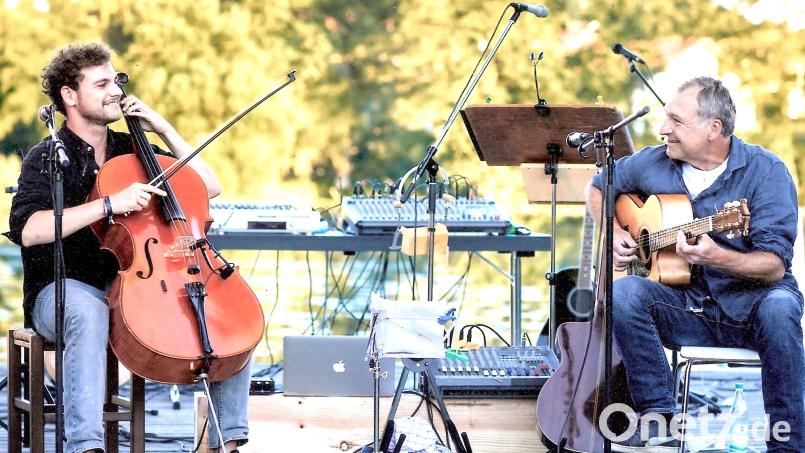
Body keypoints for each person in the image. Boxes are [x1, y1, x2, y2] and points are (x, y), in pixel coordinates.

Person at [5, 42, 250, 453]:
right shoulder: (45, 157)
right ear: (70, 95)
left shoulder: (132, 150)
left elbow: (208, 187)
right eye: (101, 84)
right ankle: (86, 445)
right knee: (88, 309)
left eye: (116, 80)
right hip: (62, 291)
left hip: (136, 287)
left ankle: (227, 439)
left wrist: (162, 126)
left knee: (222, 298)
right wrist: (108, 205)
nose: (115, 90)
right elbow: (30, 230)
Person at [585, 76, 804, 452]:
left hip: (753, 309)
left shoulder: (767, 173)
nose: (663, 129)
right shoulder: (654, 161)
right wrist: (616, 229)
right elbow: (598, 186)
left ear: (712, 129)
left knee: (781, 307)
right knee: (624, 291)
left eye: (676, 121)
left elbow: (773, 266)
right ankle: (661, 418)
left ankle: (789, 445)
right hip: (687, 307)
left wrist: (716, 256)